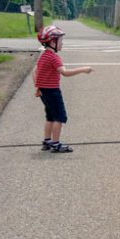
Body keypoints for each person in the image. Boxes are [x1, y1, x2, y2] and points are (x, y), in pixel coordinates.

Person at [33, 25, 93, 153]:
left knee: (50, 116)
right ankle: (56, 143)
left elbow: (36, 72)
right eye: (61, 41)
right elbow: (65, 73)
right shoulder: (54, 57)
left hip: (44, 91)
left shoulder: (43, 56)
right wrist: (83, 69)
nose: (62, 44)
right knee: (59, 117)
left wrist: (37, 87)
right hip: (53, 92)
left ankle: (47, 140)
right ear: (53, 42)